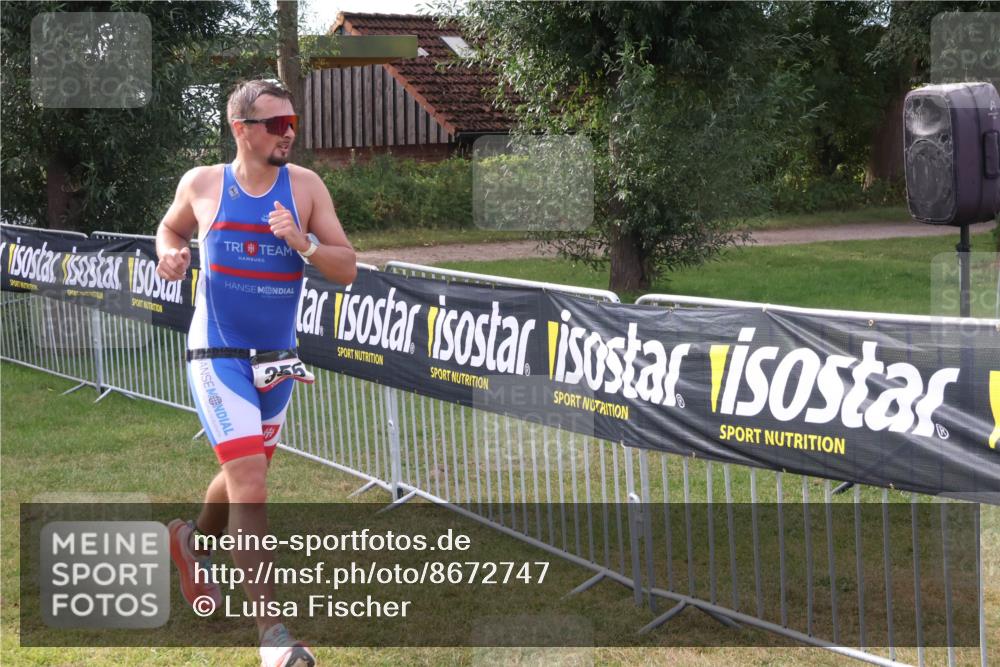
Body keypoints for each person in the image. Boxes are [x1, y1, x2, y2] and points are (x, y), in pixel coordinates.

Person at [155, 79, 357, 667]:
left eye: (292, 121)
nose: (288, 131)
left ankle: (191, 541)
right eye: (275, 123)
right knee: (249, 478)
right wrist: (168, 253)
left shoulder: (306, 188)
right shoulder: (202, 183)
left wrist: (304, 244)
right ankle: (272, 636)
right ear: (241, 129)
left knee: (247, 472)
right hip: (217, 351)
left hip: (276, 357)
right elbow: (170, 229)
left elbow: (347, 268)